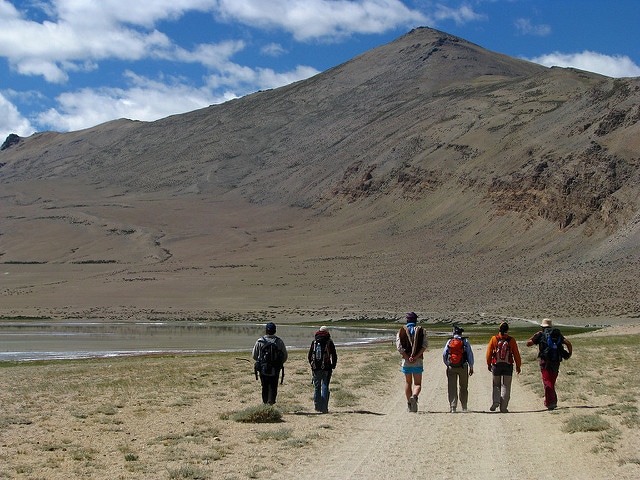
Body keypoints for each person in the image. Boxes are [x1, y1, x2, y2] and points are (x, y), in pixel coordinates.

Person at [526, 318, 572, 410]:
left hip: (545, 361)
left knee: (547, 382)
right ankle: (551, 401)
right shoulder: (557, 334)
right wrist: (569, 354)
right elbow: (568, 343)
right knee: (552, 381)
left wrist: (534, 335)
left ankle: (551, 402)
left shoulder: (541, 335)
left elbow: (528, 343)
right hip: (556, 361)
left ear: (542, 327)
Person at [486, 321, 521, 413]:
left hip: (496, 364)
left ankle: (496, 401)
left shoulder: (494, 339)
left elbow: (489, 352)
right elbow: (516, 354)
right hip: (508, 365)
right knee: (506, 385)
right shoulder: (511, 340)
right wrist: (518, 365)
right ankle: (504, 407)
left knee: (496, 385)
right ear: (507, 330)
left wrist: (488, 363)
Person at [396, 312, 428, 412]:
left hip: (406, 362)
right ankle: (414, 396)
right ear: (415, 320)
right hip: (418, 361)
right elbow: (424, 345)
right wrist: (416, 356)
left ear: (407, 320)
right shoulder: (422, 330)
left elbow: (399, 347)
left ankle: (409, 405)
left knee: (408, 382)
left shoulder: (401, 331)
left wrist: (407, 357)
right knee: (417, 384)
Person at [252, 322, 288, 405]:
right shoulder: (279, 341)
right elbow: (285, 356)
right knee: (273, 386)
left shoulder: (260, 341)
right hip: (275, 368)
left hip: (263, 368)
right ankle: (271, 403)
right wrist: (278, 363)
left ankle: (265, 403)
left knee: (264, 386)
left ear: (266, 331)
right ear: (275, 331)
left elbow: (254, 356)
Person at [442, 324, 474, 413]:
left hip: (451, 367)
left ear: (453, 332)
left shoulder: (449, 341)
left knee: (452, 387)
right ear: (461, 333)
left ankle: (453, 407)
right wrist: (471, 366)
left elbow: (444, 354)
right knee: (463, 387)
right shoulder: (465, 341)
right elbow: (470, 355)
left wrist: (447, 364)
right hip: (463, 366)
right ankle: (464, 406)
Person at [308, 326, 338, 413]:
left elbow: (309, 356)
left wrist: (312, 364)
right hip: (327, 367)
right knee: (325, 386)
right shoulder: (329, 342)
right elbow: (334, 354)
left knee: (317, 387)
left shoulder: (314, 342)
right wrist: (333, 365)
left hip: (316, 367)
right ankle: (324, 408)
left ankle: (317, 407)